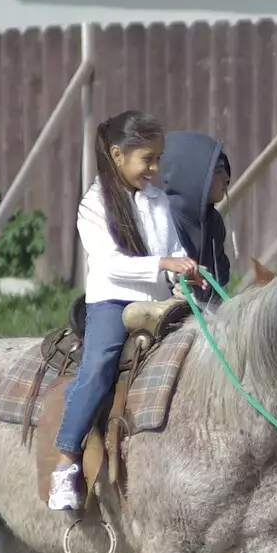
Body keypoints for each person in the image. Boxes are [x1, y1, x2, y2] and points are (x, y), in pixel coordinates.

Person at [49, 110, 198, 513]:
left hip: (158, 299)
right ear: (117, 155)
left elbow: (174, 250)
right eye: (147, 159)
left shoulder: (157, 200)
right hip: (113, 300)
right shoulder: (93, 205)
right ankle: (66, 461)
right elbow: (110, 263)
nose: (154, 168)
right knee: (100, 364)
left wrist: (185, 271)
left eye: (157, 159)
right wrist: (164, 265)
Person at [162, 131, 232, 302]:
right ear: (193, 176)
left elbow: (219, 279)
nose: (227, 178)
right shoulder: (164, 218)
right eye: (218, 170)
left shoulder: (214, 222)